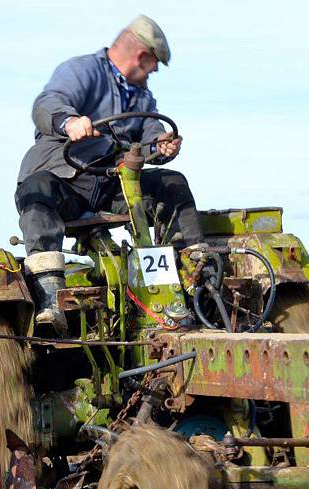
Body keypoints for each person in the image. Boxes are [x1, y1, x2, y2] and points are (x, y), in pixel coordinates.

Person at [14, 15, 203, 335]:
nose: (155, 71)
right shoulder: (83, 70)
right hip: (65, 179)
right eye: (155, 63)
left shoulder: (142, 95)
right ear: (142, 56)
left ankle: (193, 275)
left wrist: (161, 143)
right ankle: (49, 298)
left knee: (172, 183)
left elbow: (149, 129)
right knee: (37, 188)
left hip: (111, 186)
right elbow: (47, 104)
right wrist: (69, 121)